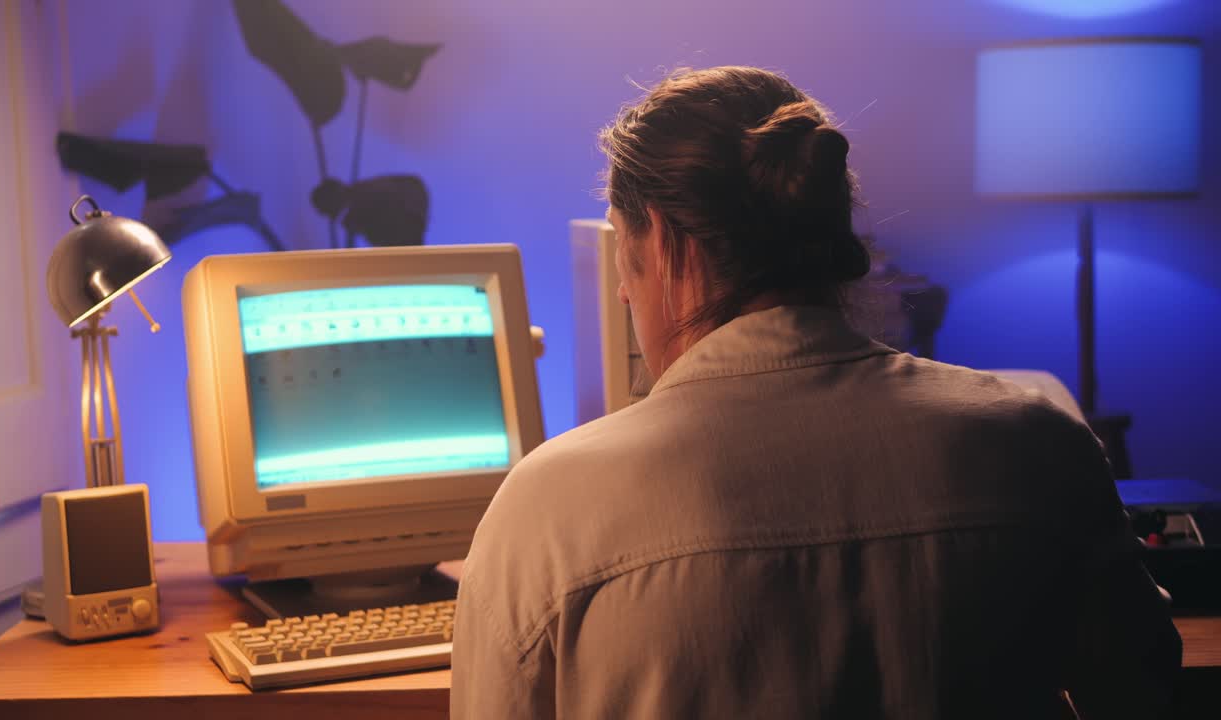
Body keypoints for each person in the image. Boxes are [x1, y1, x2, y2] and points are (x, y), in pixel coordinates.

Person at [450, 66, 1180, 718]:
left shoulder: (545, 511)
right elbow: (1146, 691)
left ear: (671, 247)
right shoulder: (1036, 442)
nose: (620, 290)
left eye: (626, 256)